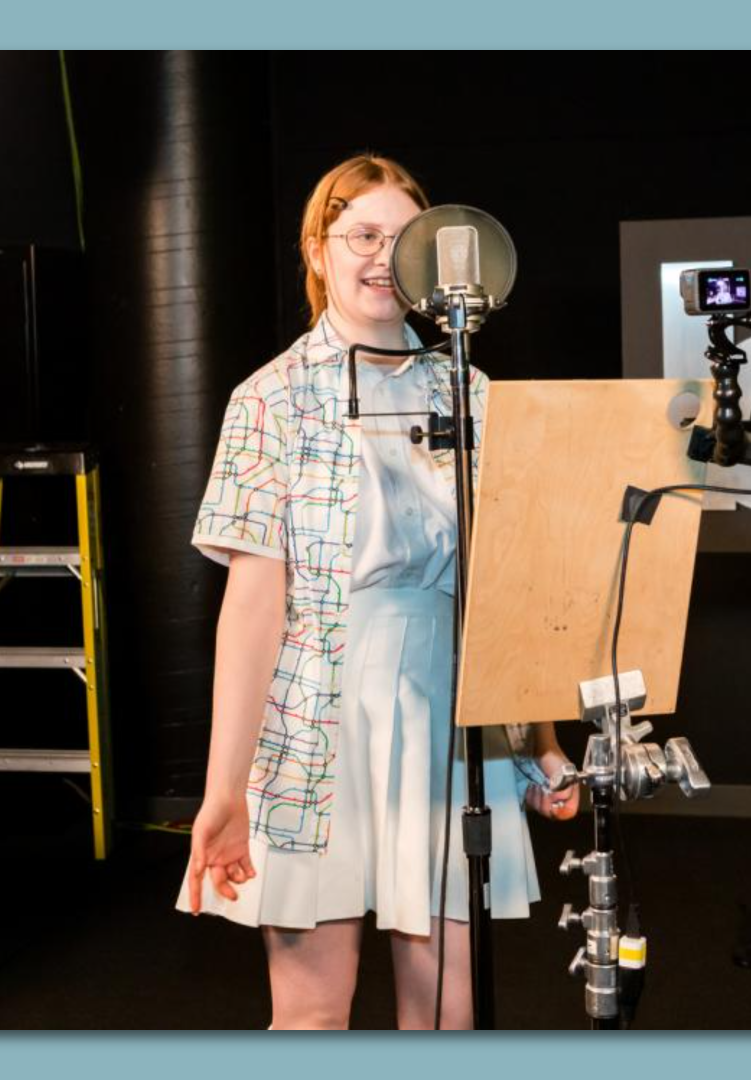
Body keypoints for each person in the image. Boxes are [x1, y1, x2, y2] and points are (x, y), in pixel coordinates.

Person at [174, 154, 579, 1030]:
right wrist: (225, 789)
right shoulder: (270, 397)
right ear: (318, 251)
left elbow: (503, 591)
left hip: (446, 717)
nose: (382, 257)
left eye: (405, 241)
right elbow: (251, 610)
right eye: (362, 235)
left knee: (447, 1011)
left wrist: (539, 741)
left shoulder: (465, 389)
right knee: (312, 1016)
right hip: (317, 718)